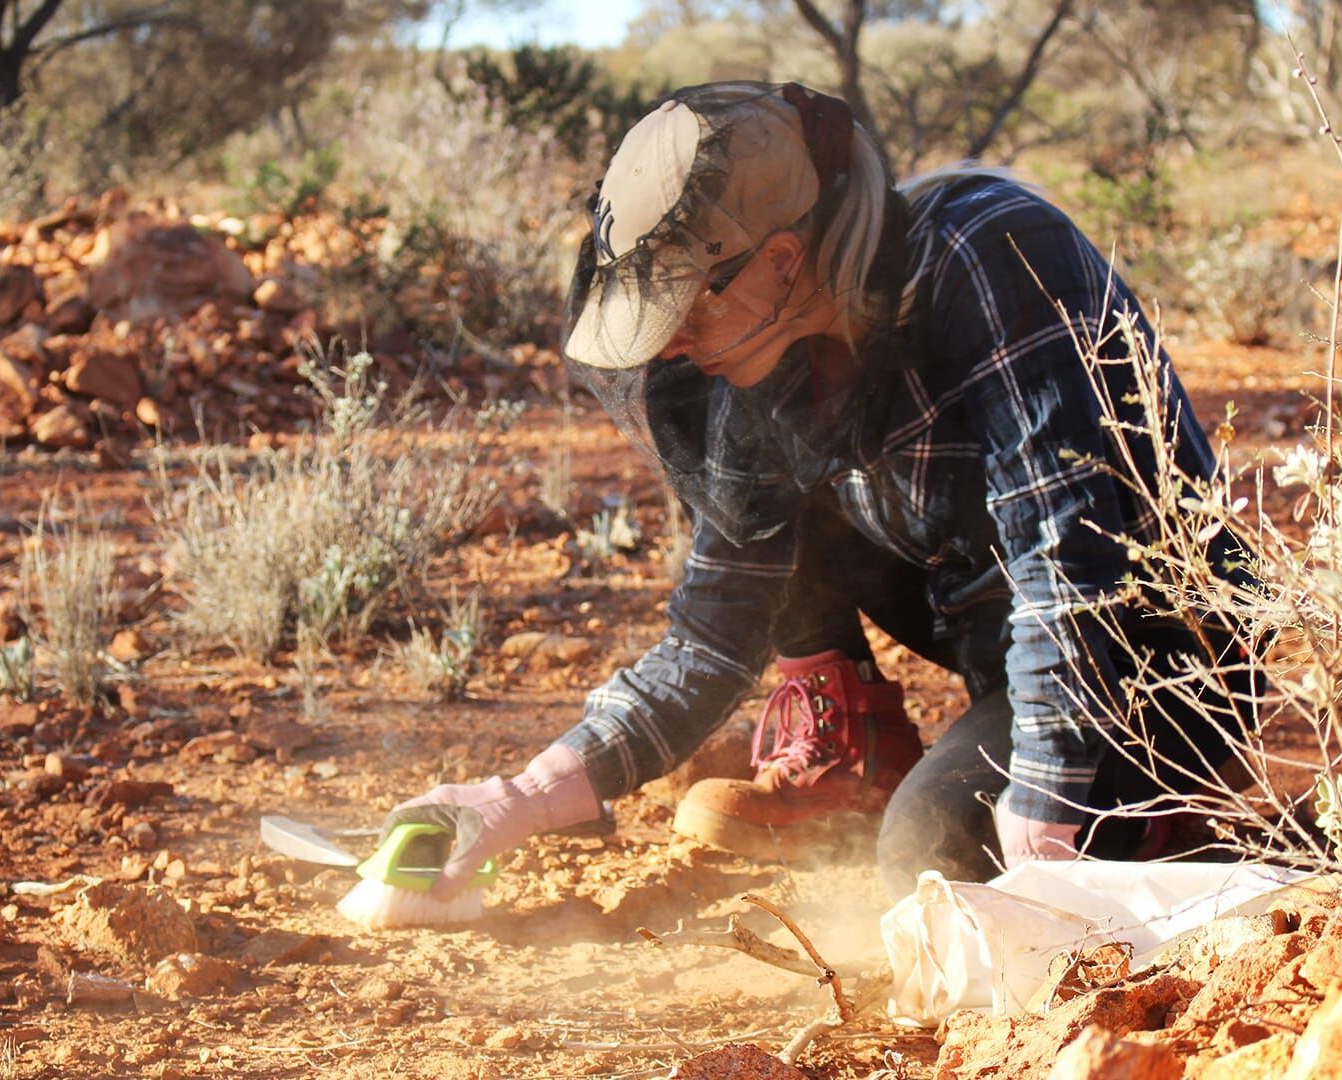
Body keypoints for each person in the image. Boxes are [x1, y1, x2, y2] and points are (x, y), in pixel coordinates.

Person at [381, 81, 1259, 902]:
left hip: (1159, 650)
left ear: (781, 258)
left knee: (936, 857)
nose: (671, 342)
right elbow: (712, 637)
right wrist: (520, 798)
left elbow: (1066, 561)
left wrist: (1045, 809)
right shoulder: (765, 347)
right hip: (1002, 637)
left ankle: (1155, 817)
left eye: (685, 305)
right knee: (775, 505)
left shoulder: (990, 254)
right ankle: (857, 753)